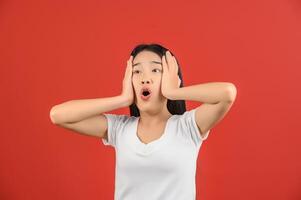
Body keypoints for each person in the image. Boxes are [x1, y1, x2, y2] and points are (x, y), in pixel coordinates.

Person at [49, 43, 237, 200]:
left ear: (170, 77)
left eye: (156, 70)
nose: (145, 78)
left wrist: (173, 92)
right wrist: (122, 99)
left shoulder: (187, 127)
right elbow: (58, 115)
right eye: (137, 72)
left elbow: (227, 93)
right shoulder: (120, 129)